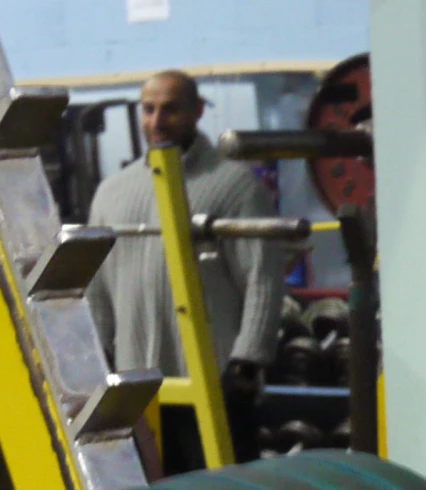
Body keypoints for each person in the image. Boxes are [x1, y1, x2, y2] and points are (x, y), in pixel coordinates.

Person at [86, 70, 286, 468]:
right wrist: (93, 359)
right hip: (138, 390)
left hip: (215, 386)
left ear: (197, 112)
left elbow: (262, 277)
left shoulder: (234, 186)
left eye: (170, 110)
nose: (156, 122)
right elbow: (98, 289)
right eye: (148, 110)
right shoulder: (111, 192)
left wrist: (247, 362)